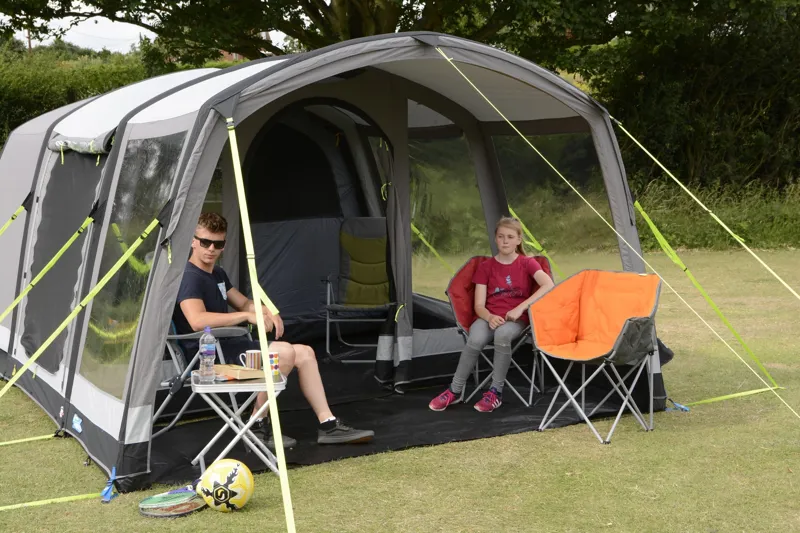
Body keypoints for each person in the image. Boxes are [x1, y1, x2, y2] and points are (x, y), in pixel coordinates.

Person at [173, 212, 374, 447]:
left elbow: (244, 303)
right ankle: (257, 424)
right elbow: (197, 320)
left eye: (218, 244)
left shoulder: (217, 273)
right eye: (205, 242)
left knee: (305, 353)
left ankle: (328, 424)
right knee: (285, 353)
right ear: (193, 241)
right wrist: (247, 316)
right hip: (207, 359)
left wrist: (266, 311)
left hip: (230, 347)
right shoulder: (189, 277)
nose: (211, 249)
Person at [429, 217, 554, 413]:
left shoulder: (527, 263)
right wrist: (489, 317)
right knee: (475, 339)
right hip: (488, 316)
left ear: (518, 240)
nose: (505, 241)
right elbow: (479, 305)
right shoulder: (486, 267)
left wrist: (520, 308)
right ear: (495, 239)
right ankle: (455, 390)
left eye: (510, 237)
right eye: (501, 236)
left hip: (515, 319)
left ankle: (496, 392)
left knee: (502, 335)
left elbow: (548, 284)